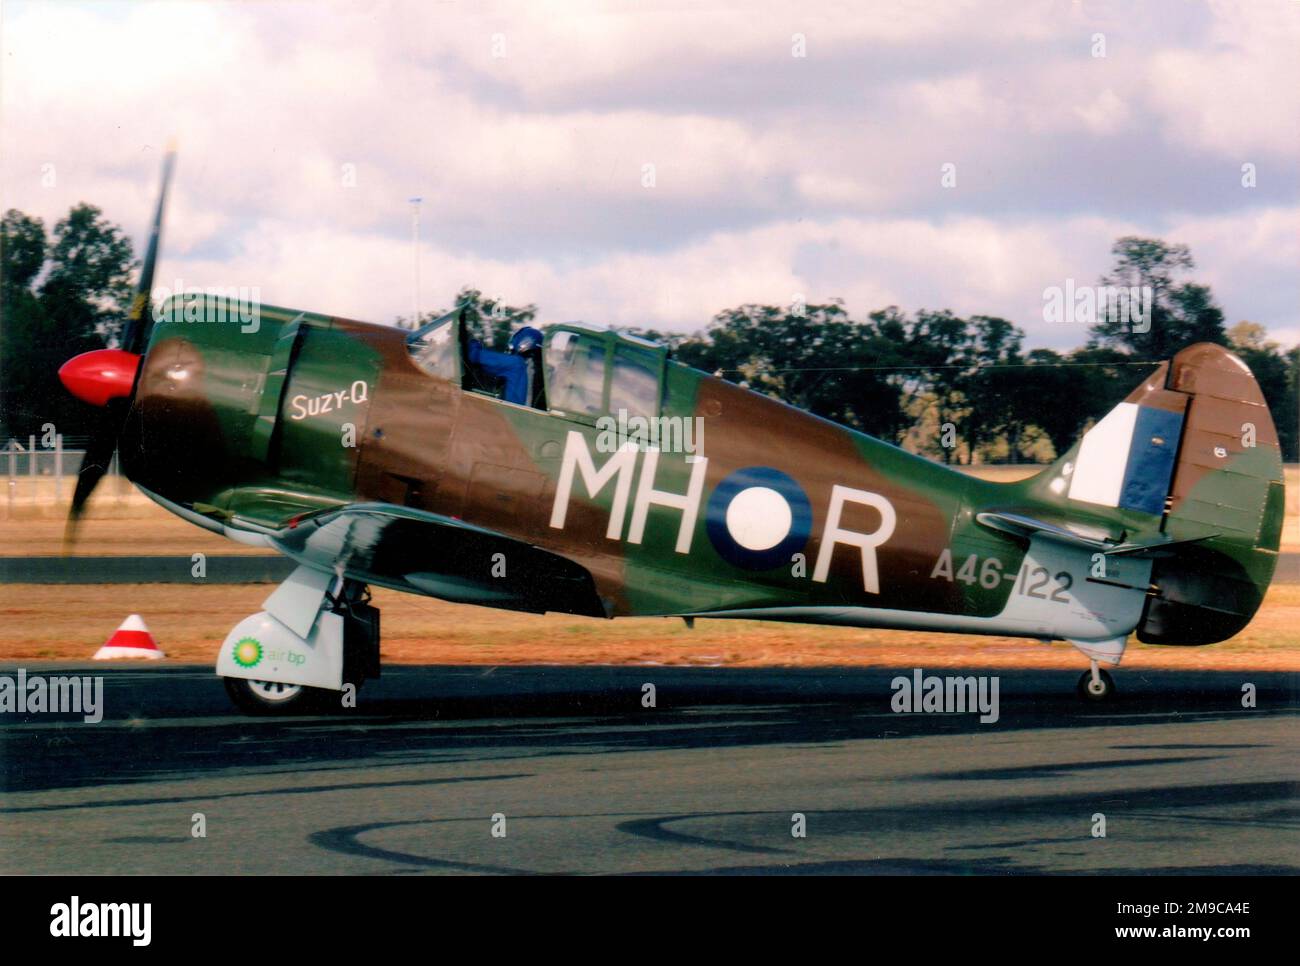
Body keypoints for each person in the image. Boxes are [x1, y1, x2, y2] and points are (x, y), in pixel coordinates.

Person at [466, 325, 544, 407]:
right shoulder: (540, 371)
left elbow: (474, 356)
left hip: (512, 415)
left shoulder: (516, 363)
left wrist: (470, 340)